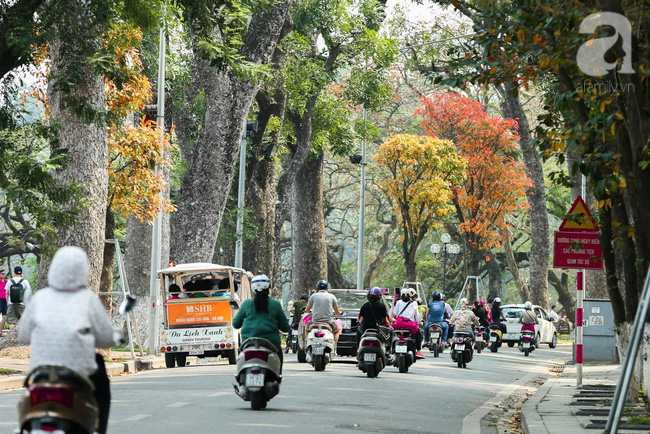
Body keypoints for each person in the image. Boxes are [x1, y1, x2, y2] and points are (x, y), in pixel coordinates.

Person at [18, 246, 121, 434]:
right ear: (84, 271)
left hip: (41, 374)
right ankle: (99, 428)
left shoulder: (40, 298)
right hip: (79, 376)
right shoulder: (88, 300)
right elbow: (105, 338)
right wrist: (115, 337)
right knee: (102, 385)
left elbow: (23, 335)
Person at [232, 274, 290, 374]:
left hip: (248, 343)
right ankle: (278, 375)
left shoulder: (246, 303)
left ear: (253, 289)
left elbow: (236, 324)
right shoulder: (275, 304)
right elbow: (284, 327)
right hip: (271, 344)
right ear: (268, 288)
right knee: (278, 357)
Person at [391, 287, 425, 359]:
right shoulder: (414, 303)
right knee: (418, 334)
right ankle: (418, 351)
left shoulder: (399, 302)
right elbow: (417, 316)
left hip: (398, 323)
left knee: (390, 330)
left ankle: (389, 348)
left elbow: (395, 313)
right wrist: (418, 322)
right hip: (410, 325)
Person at [305, 280, 341, 346]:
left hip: (314, 321)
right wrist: (339, 313)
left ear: (317, 288)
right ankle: (334, 346)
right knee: (336, 331)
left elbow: (307, 309)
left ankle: (307, 343)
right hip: (328, 322)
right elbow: (337, 312)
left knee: (307, 329)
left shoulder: (313, 296)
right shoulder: (332, 297)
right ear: (327, 289)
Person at [7, 265, 32, 329]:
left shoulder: (10, 281)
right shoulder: (24, 281)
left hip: (11, 303)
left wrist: (7, 302)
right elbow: (28, 292)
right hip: (22, 303)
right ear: (21, 273)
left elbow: (7, 292)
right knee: (23, 320)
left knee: (12, 321)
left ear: (14, 272)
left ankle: (11, 336)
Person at [0, 269, 7, 335]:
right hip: (0, 300)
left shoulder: (6, 282)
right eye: (2, 273)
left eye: (4, 273)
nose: (3, 275)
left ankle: (0, 331)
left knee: (4, 317)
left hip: (5, 300)